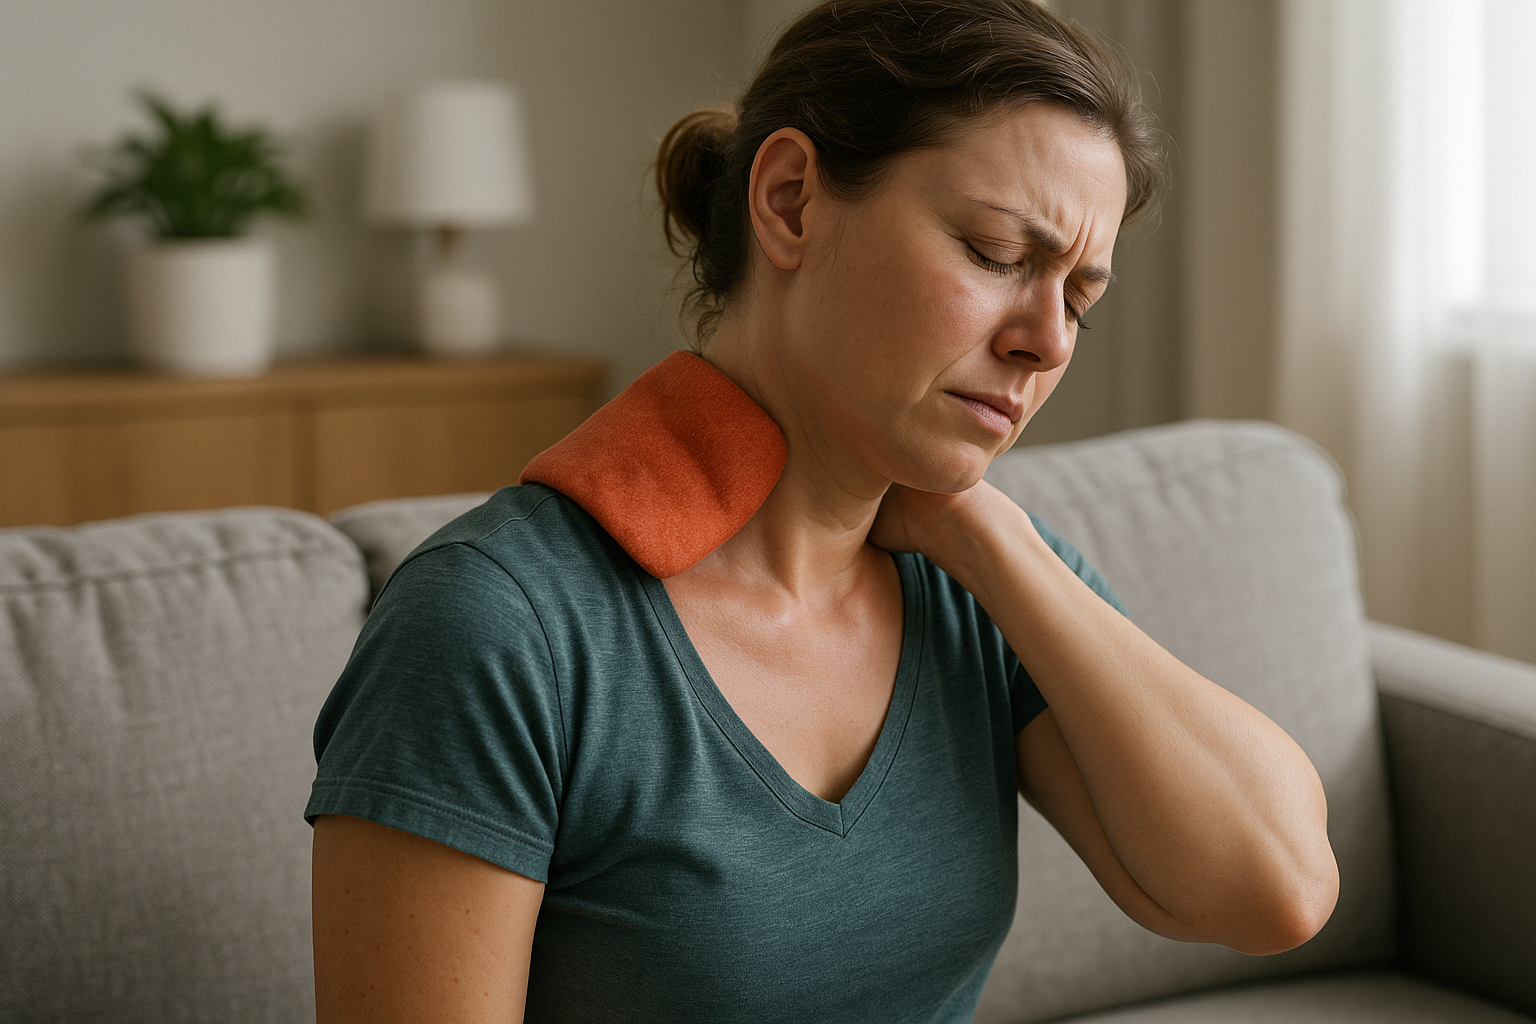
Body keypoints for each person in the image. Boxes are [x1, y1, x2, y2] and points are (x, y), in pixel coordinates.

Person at [307, 1, 1341, 1021]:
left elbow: (1276, 888)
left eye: (1077, 296)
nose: (1048, 340)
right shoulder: (500, 626)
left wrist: (990, 535)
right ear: (792, 200)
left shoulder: (978, 587)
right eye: (995, 253)